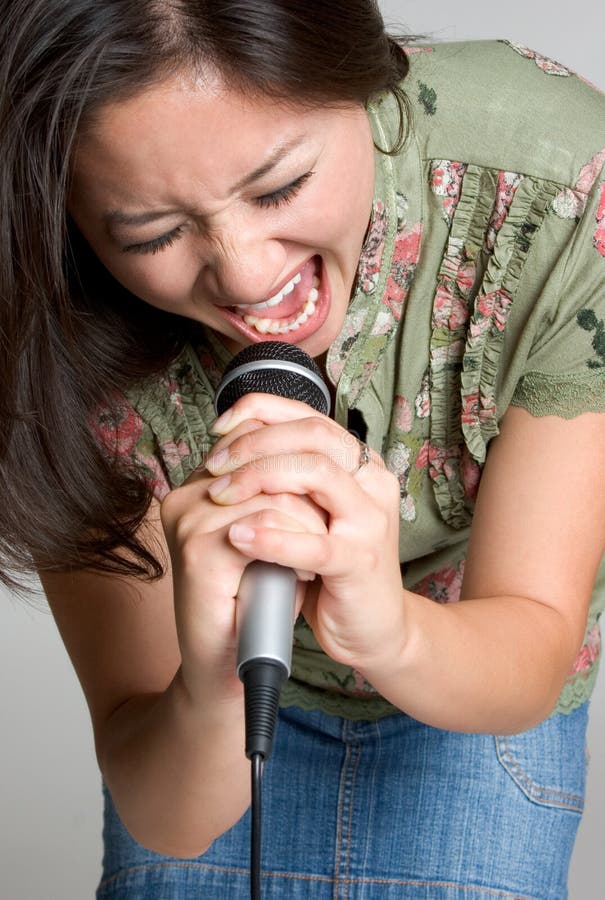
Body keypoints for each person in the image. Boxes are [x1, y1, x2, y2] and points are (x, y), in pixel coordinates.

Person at [1, 1, 605, 897]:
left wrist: (389, 628)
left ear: (368, 77)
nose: (245, 273)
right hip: (198, 720)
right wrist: (210, 682)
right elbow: (166, 810)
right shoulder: (36, 311)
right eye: (152, 236)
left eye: (279, 187)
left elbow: (528, 640)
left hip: (475, 665)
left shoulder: (558, 181)